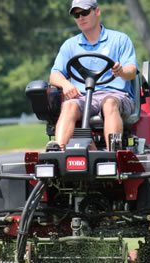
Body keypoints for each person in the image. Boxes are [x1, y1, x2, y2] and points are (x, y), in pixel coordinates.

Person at [48, 0, 137, 151]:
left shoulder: (120, 40)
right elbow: (54, 75)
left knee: (109, 103)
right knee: (69, 105)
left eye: (85, 12)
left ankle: (113, 153)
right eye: (76, 15)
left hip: (116, 95)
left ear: (97, 12)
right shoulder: (70, 45)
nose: (80, 17)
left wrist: (121, 72)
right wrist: (65, 84)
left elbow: (131, 71)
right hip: (83, 97)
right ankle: (58, 152)